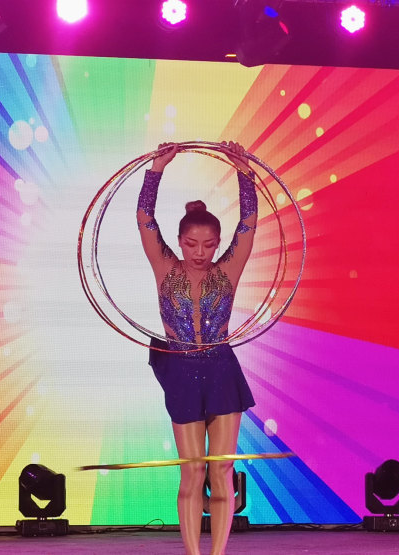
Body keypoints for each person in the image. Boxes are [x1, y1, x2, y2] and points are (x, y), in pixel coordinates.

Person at [136, 140, 257, 555]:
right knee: (191, 474)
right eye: (191, 244)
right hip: (182, 371)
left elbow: (248, 223)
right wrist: (156, 170)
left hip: (221, 370)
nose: (200, 253)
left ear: (218, 243)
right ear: (180, 240)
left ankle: (218, 554)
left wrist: (244, 172)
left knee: (221, 472)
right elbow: (144, 218)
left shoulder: (228, 271)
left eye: (208, 245)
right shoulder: (164, 267)